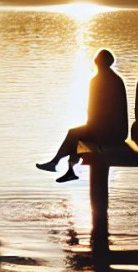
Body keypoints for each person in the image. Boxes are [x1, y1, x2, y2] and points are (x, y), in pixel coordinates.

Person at [36, 48, 128, 182]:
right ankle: (68, 169)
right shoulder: (117, 80)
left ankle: (57, 163)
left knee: (74, 134)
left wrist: (89, 129)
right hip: (120, 133)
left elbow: (92, 111)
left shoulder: (97, 81)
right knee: (77, 134)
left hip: (106, 133)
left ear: (97, 62)